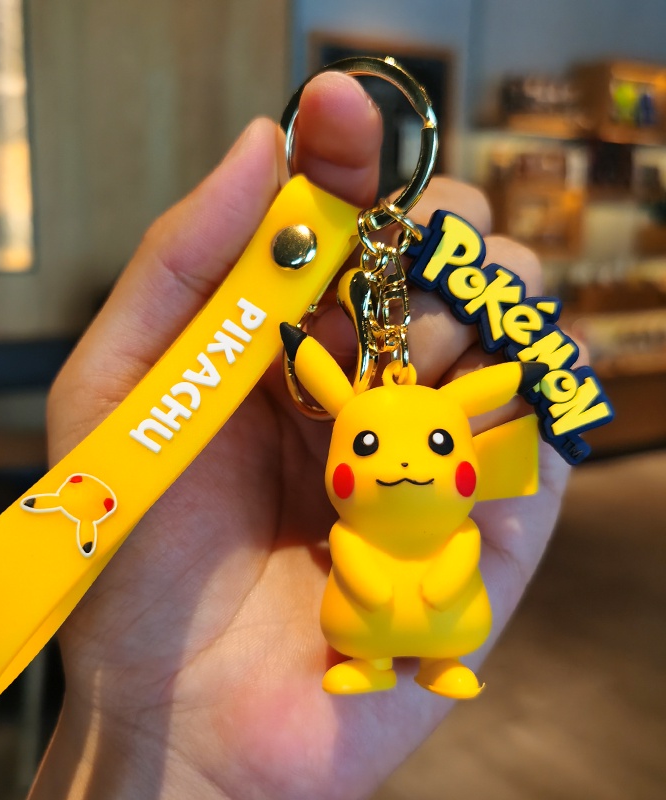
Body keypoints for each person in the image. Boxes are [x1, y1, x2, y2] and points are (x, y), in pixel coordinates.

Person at [28, 72, 570, 799]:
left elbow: (463, 543)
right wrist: (163, 743)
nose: (405, 464)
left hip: (436, 609)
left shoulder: (460, 523)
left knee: (448, 620)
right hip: (355, 622)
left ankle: (441, 662)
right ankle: (372, 660)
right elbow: (350, 549)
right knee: (361, 625)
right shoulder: (344, 529)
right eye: (367, 447)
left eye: (441, 448)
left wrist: (442, 572)